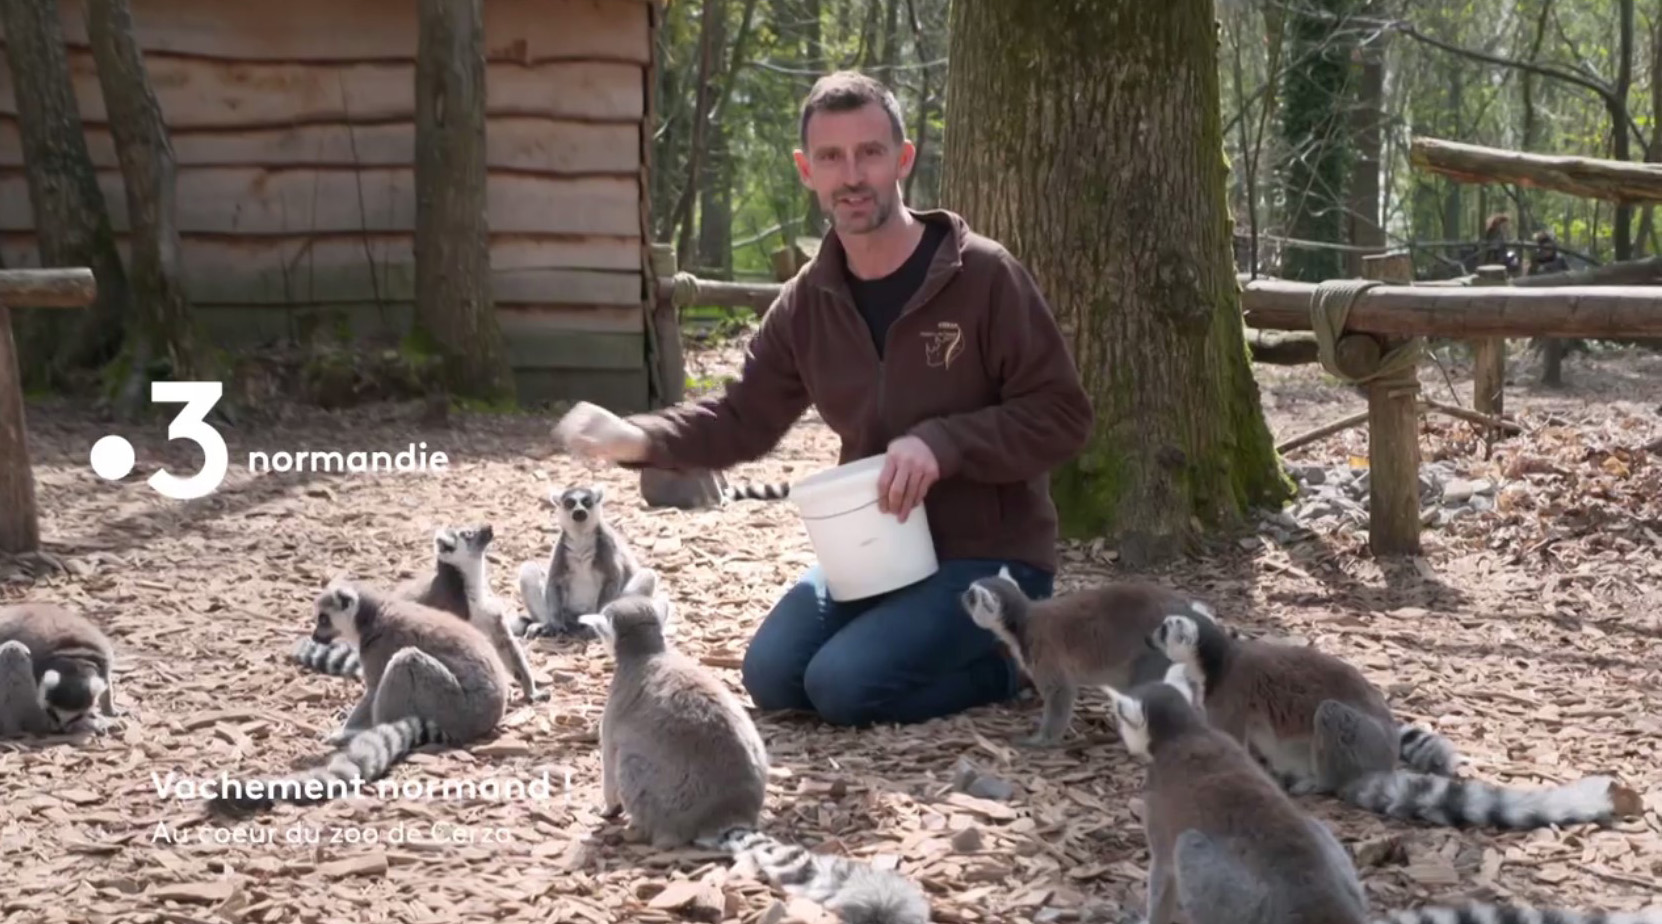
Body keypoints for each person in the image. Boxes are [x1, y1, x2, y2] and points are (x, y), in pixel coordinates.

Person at [556, 70, 1093, 728]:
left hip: (992, 558)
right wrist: (639, 440)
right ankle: (915, 646)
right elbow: (743, 417)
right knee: (774, 675)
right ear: (806, 170)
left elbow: (1063, 416)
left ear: (903, 159)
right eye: (832, 158)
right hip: (878, 552)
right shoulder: (807, 304)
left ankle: (1013, 662)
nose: (853, 175)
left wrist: (943, 444)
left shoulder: (983, 275)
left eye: (870, 153)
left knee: (842, 687)